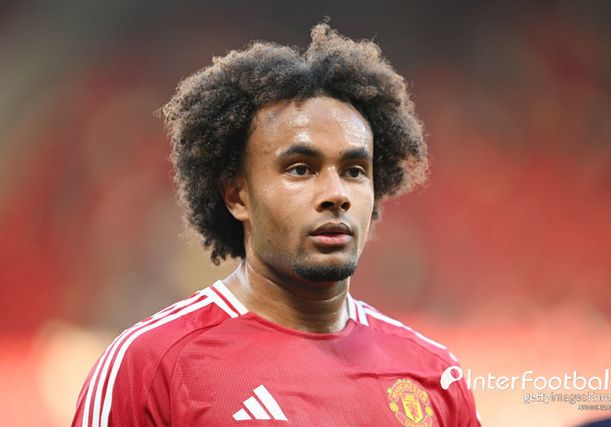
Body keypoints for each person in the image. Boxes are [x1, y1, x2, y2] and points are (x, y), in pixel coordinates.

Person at [72, 23, 481, 426]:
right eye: (301, 169)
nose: (336, 194)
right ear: (237, 196)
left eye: (355, 171)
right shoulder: (148, 367)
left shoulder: (433, 374)